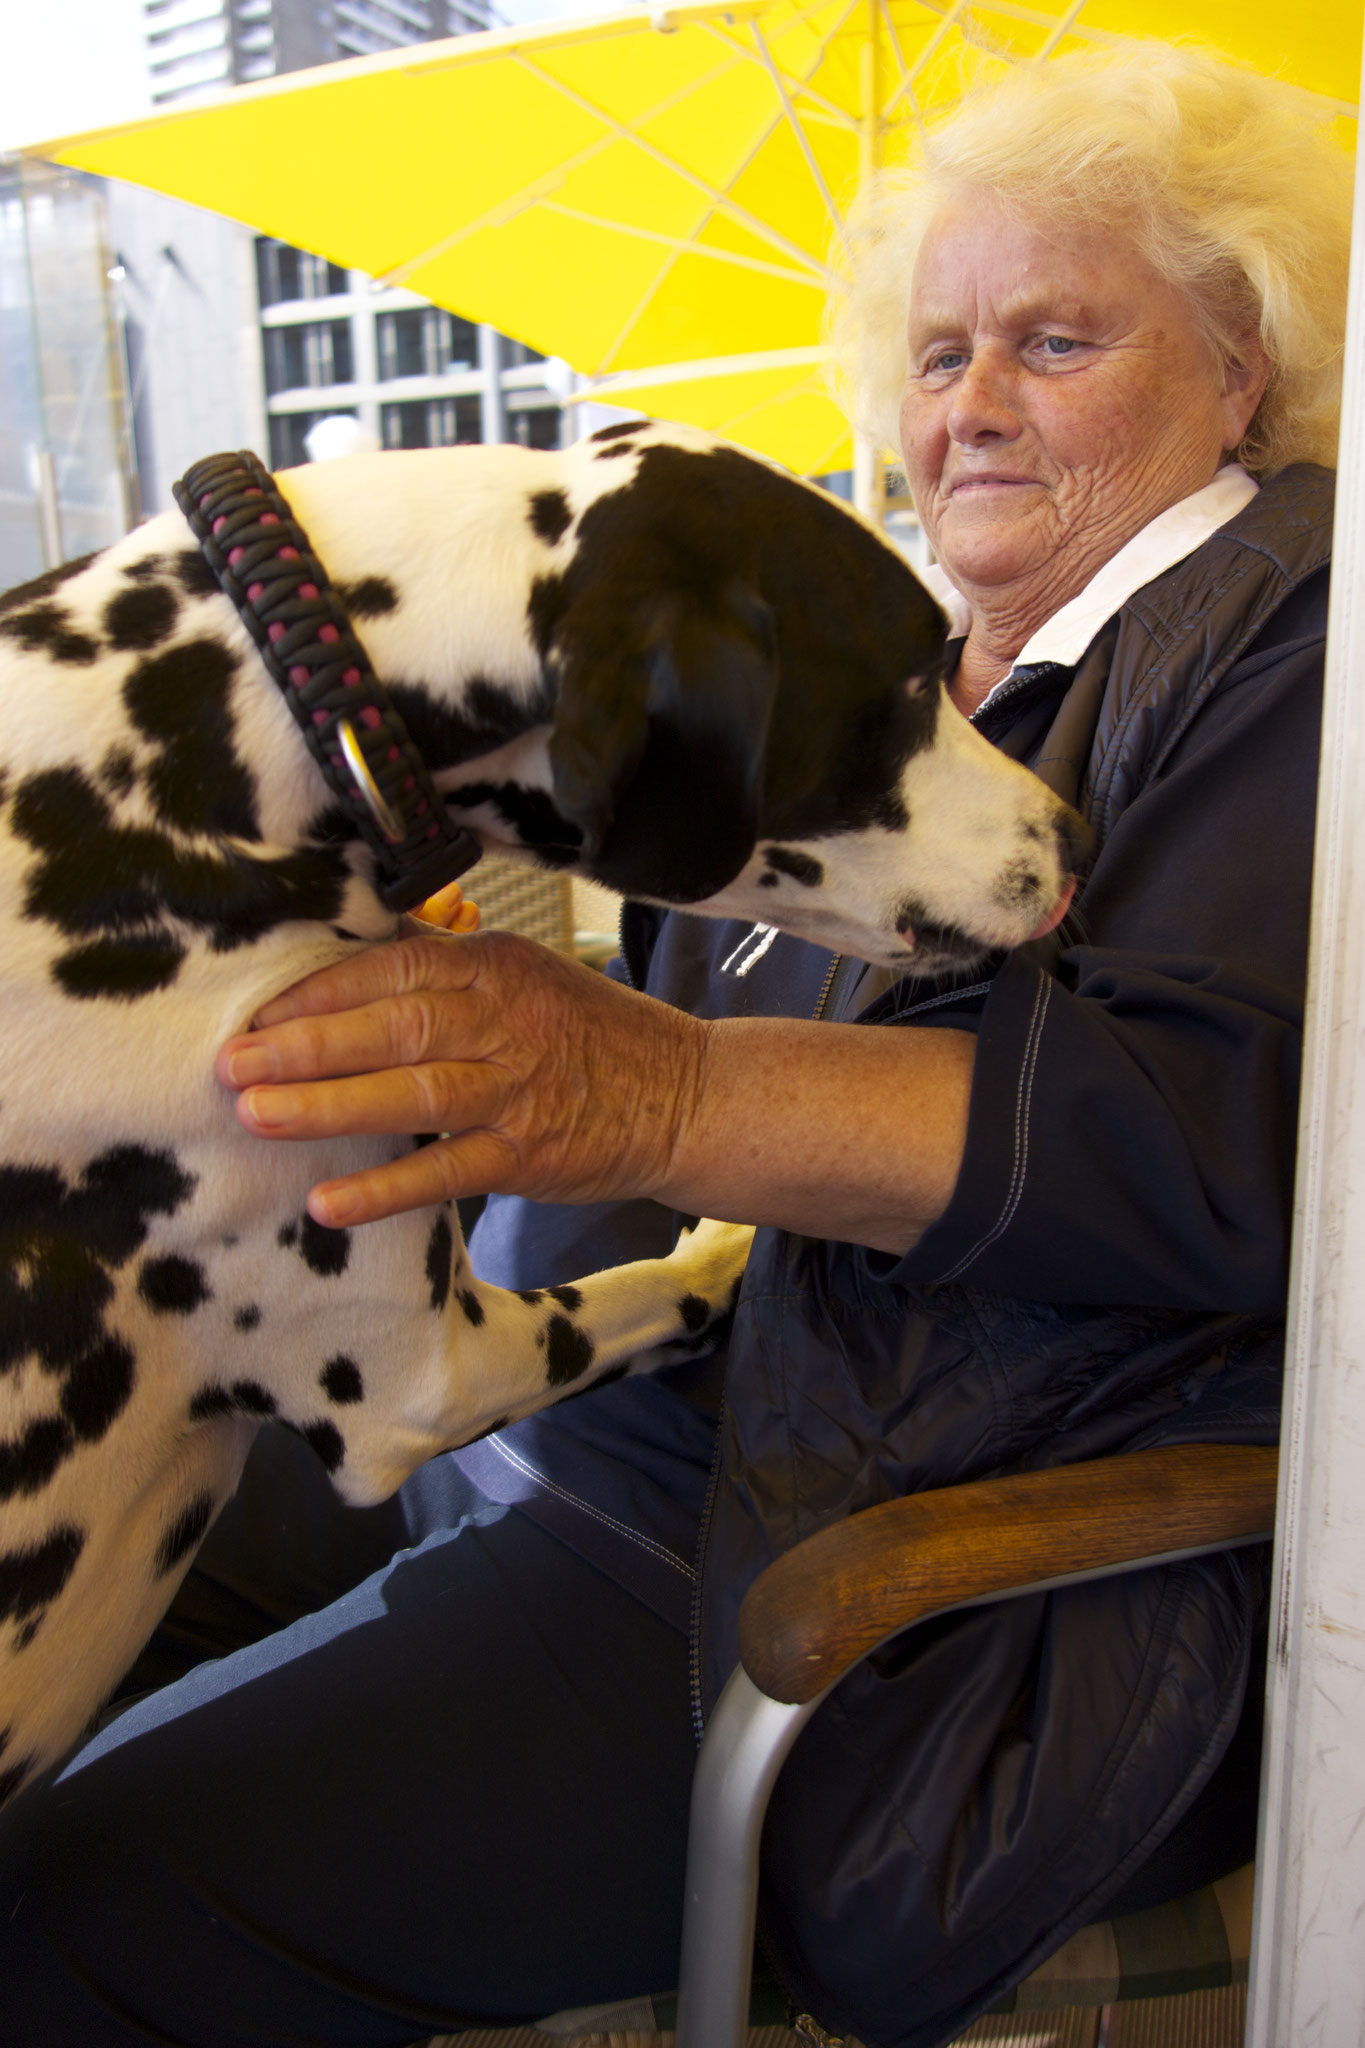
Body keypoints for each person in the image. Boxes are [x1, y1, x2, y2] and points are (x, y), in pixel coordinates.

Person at [0, 41, 1351, 2048]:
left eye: (1053, 342)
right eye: (933, 350)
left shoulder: (1293, 651)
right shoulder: (916, 672)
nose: (963, 402)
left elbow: (1223, 1144)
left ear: (1238, 366)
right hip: (537, 1420)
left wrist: (647, 1083)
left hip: (784, 1581)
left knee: (56, 1927)